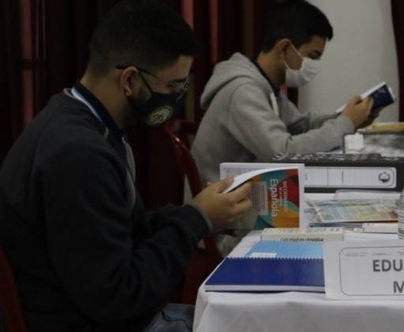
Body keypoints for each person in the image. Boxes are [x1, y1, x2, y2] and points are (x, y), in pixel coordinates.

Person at [0, 1, 251, 331]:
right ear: (131, 79)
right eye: (174, 86)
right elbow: (119, 295)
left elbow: (110, 230)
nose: (177, 98)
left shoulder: (80, 120)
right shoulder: (78, 154)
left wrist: (200, 215)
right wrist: (194, 220)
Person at [190, 0, 375, 188]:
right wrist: (345, 123)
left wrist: (346, 116)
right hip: (220, 204)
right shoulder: (243, 91)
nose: (316, 65)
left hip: (247, 191)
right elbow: (283, 152)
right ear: (285, 48)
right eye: (313, 56)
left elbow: (301, 125)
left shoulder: (266, 85)